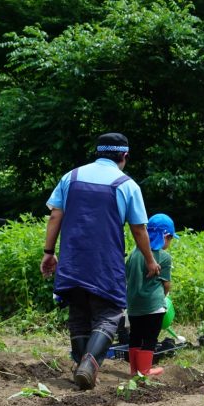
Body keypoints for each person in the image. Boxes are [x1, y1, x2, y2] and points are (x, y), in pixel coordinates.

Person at [40, 132, 160, 390]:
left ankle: (82, 368)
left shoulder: (70, 178)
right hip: (104, 264)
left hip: (72, 260)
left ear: (98, 152)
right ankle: (90, 363)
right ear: (124, 156)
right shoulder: (126, 184)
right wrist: (150, 260)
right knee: (109, 313)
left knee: (79, 312)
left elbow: (55, 217)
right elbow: (139, 229)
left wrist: (49, 252)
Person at [125, 213, 178, 376]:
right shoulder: (164, 257)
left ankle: (135, 371)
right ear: (165, 237)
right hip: (153, 306)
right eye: (170, 239)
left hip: (133, 305)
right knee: (150, 338)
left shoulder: (134, 253)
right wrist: (165, 297)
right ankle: (145, 371)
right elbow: (166, 284)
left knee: (135, 336)